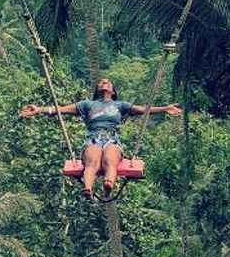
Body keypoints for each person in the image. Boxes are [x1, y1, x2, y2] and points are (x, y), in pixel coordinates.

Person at [21, 78, 182, 198]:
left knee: (110, 161)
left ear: (112, 90)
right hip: (93, 138)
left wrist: (165, 108)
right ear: (98, 89)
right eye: (101, 82)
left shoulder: (120, 105)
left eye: (108, 82)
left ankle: (108, 184)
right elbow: (59, 109)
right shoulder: (87, 105)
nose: (104, 83)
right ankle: (88, 189)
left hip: (111, 139)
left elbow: (144, 110)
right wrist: (39, 110)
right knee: (92, 162)